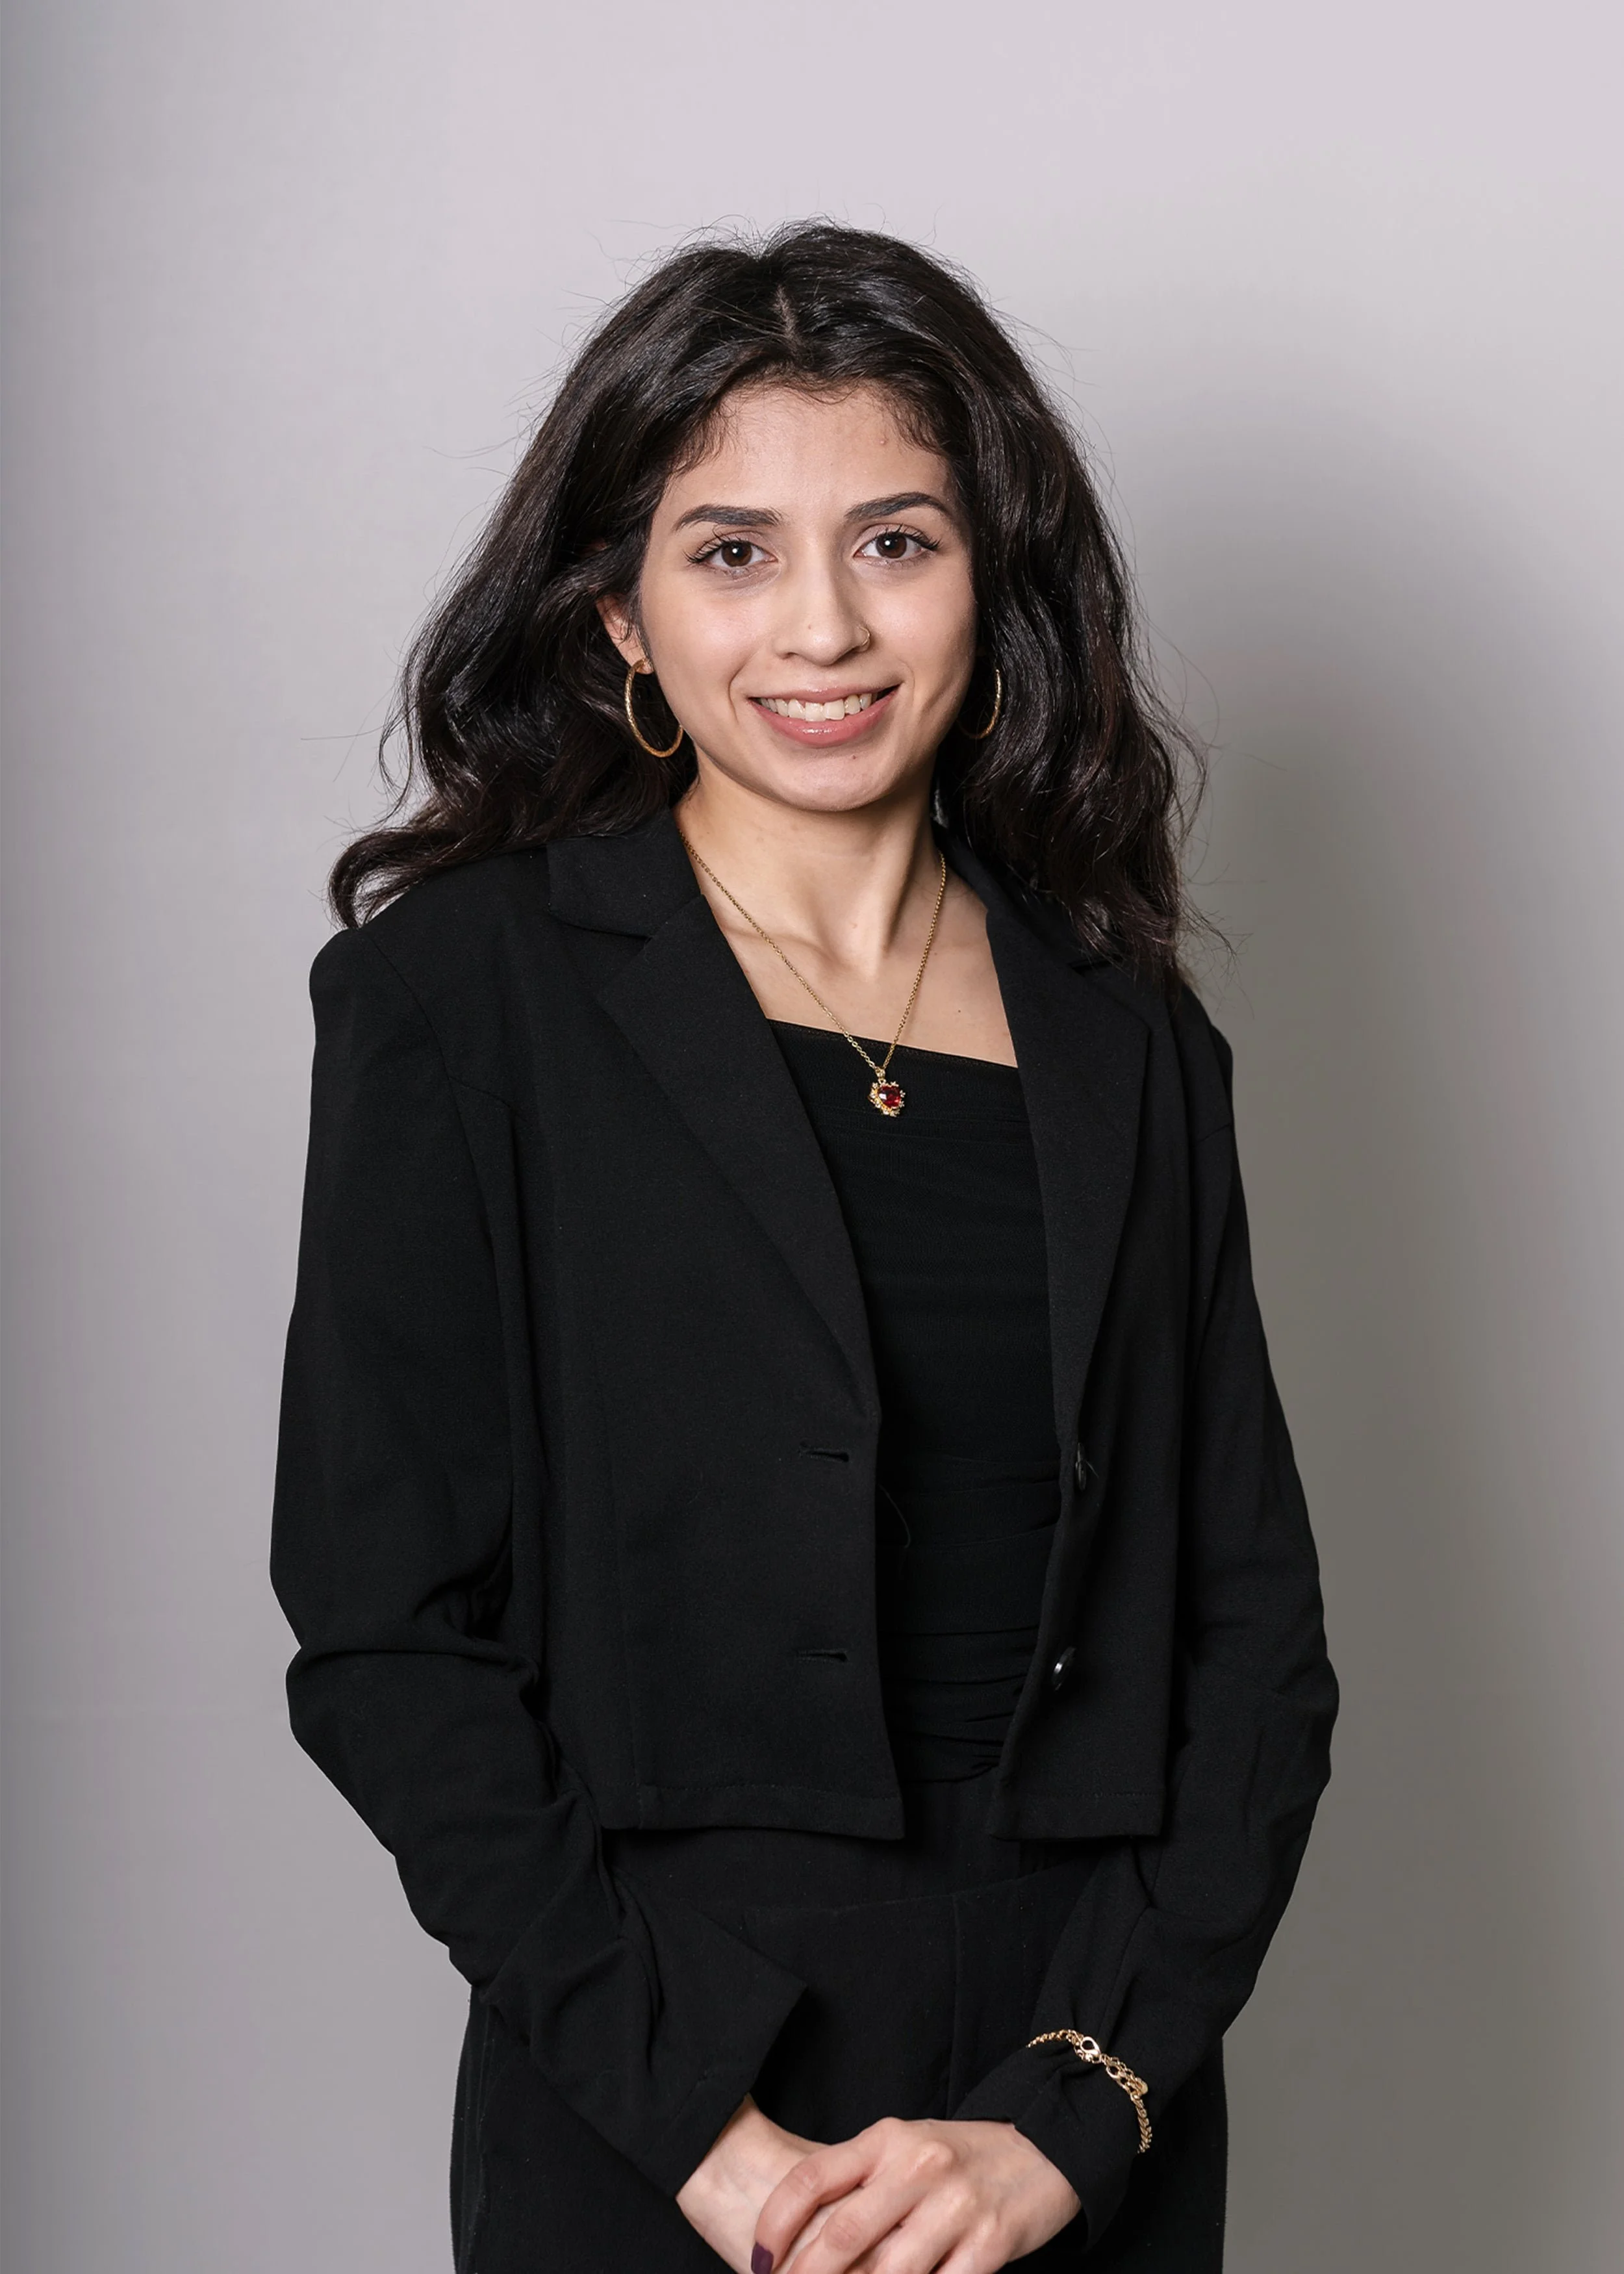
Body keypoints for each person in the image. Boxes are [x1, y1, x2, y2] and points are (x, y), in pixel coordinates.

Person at [270, 221, 1337, 2273]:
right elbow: (388, 1636)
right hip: (661, 2089)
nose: (822, 627)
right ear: (617, 615)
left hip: (1069, 2080)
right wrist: (715, 2139)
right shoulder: (460, 1003)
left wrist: (1073, 2112)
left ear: (988, 582)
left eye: (897, 539)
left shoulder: (1129, 1038)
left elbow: (1254, 1649)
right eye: (731, 549)